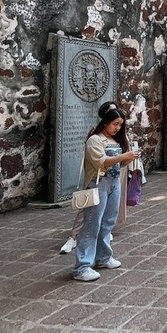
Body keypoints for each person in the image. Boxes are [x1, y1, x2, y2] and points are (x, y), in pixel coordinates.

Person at [72, 107, 138, 281]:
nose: (117, 128)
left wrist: (127, 160)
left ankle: (103, 257)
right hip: (98, 184)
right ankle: (82, 266)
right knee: (92, 224)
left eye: (120, 125)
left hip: (114, 184)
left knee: (108, 222)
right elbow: (101, 162)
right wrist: (124, 155)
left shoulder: (115, 140)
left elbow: (118, 166)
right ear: (106, 122)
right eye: (115, 124)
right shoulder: (95, 140)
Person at [61, 100, 117, 254]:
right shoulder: (95, 134)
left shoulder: (116, 131)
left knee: (110, 207)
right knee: (88, 205)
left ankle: (105, 233)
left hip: (114, 174)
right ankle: (74, 236)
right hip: (98, 175)